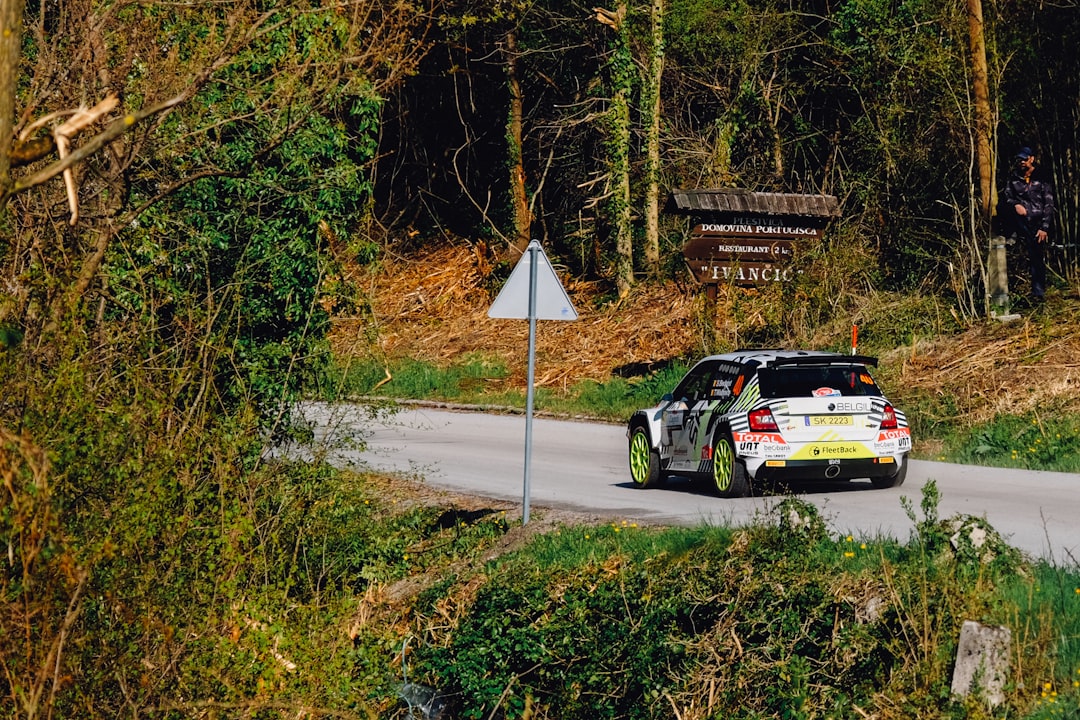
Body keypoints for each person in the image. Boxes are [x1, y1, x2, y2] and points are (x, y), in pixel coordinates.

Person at [1002, 146, 1055, 302]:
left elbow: (1049, 204)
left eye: (1025, 159)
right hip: (1020, 220)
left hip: (1037, 223)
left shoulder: (1042, 177)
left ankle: (1038, 294)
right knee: (1003, 209)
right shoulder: (1014, 178)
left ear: (1032, 159)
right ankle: (1011, 235)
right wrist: (1015, 205)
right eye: (1020, 159)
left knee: (1036, 257)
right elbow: (1007, 197)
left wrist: (1044, 227)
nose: (1022, 162)